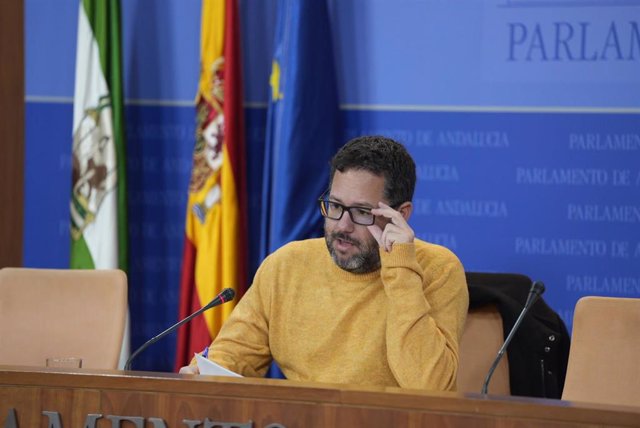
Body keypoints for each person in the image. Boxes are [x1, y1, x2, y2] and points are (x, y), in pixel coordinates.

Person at [180, 135, 469, 391]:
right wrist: (205, 371)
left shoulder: (438, 270)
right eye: (335, 206)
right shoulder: (287, 265)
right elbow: (233, 356)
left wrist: (401, 269)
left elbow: (431, 388)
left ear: (401, 215)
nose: (342, 225)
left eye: (361, 212)